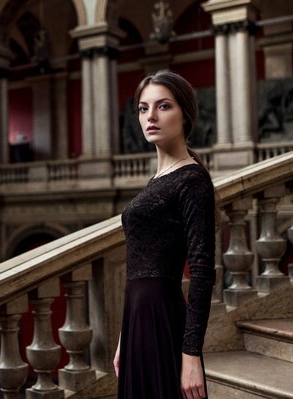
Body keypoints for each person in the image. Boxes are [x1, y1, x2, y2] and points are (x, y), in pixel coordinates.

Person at [113, 70, 216, 399]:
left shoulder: (192, 179)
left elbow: (202, 270)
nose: (150, 117)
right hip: (136, 319)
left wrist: (191, 357)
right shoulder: (158, 180)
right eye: (143, 109)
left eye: (163, 106)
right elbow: (137, 263)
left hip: (162, 317)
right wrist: (122, 339)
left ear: (184, 114)